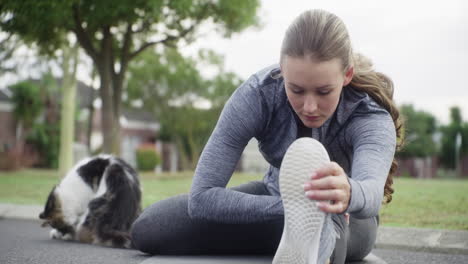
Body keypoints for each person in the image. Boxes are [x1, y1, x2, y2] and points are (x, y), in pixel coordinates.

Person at [131, 9, 402, 264]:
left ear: (347, 75)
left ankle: (311, 242)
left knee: (328, 235)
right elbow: (202, 197)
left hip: (346, 217)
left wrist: (348, 191)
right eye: (296, 90)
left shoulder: (369, 115)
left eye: (323, 92)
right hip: (274, 201)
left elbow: (371, 194)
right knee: (151, 227)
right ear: (281, 70)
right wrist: (291, 207)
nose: (309, 107)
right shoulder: (257, 95)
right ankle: (288, 239)